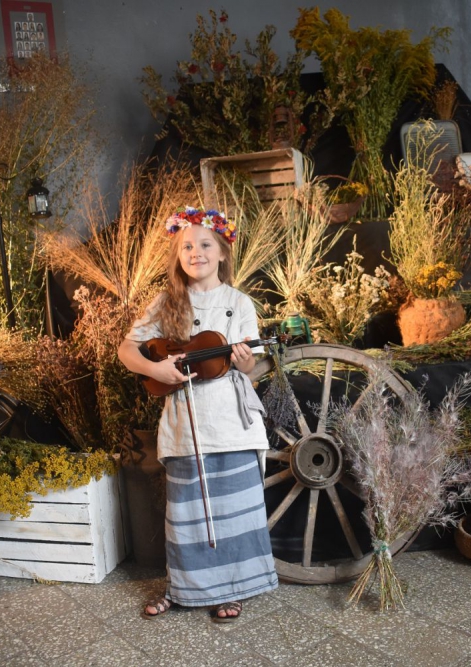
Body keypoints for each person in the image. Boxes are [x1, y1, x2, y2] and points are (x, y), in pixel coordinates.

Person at [117, 207, 278, 624]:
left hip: (229, 420)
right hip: (184, 420)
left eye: (205, 244)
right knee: (187, 515)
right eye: (187, 246)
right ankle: (182, 589)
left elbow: (250, 367)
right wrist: (155, 370)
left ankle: (235, 590)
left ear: (222, 252)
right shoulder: (166, 302)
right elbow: (127, 349)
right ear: (178, 255)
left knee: (234, 512)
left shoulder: (238, 302)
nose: (196, 253)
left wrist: (242, 359)